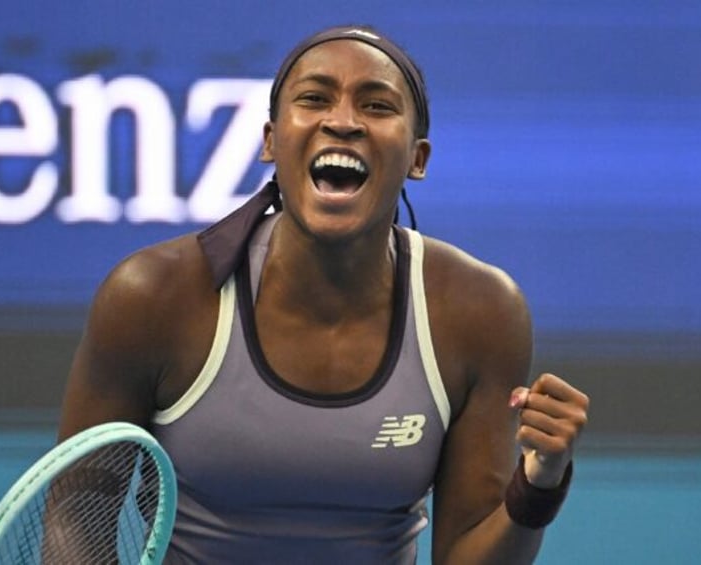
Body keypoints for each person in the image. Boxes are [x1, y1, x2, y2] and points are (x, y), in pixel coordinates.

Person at [57, 24, 590, 564]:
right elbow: (76, 520)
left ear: (417, 158)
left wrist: (538, 488)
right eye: (314, 99)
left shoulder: (480, 313)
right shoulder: (153, 297)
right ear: (271, 140)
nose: (342, 122)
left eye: (377, 106)